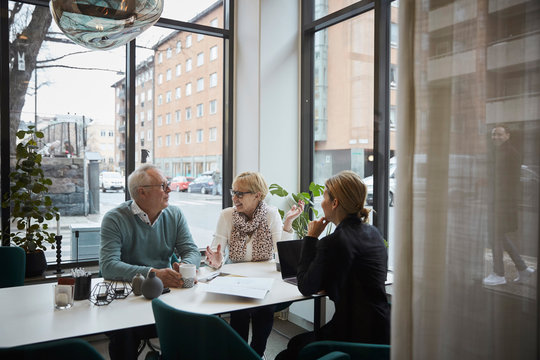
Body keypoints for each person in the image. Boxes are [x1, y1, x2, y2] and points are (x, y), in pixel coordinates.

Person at [276, 170, 390, 360]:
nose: (321, 203)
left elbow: (305, 286)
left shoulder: (332, 241)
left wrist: (311, 238)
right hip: (382, 330)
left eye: (324, 197)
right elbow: (355, 271)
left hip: (352, 335)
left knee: (288, 352)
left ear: (335, 203)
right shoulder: (374, 234)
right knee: (296, 344)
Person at [100, 164, 200, 359]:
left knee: (195, 323)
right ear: (142, 192)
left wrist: (185, 267)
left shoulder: (175, 215)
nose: (169, 189)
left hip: (165, 295)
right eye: (163, 185)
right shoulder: (114, 219)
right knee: (124, 334)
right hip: (128, 297)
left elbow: (191, 250)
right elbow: (108, 267)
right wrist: (154, 274)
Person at [205, 171, 304, 357]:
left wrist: (288, 224)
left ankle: (256, 353)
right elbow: (215, 254)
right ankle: (240, 354)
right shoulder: (226, 216)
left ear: (257, 195)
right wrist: (216, 262)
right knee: (239, 311)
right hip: (237, 280)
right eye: (233, 192)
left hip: (265, 280)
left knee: (264, 307)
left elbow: (281, 254)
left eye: (240, 194)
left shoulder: (271, 215)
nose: (234, 198)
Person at [482, 125, 534, 286]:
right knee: (500, 237)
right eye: (493, 135)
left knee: (495, 236)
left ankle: (499, 274)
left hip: (501, 204)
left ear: (507, 135)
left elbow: (507, 183)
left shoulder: (509, 153)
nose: (495, 137)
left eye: (499, 134)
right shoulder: (501, 152)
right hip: (500, 202)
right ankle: (523, 269)